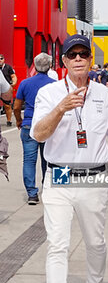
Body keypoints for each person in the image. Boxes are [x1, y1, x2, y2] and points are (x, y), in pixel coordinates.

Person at [30, 34, 108, 283]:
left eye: (83, 54)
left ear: (90, 61)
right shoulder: (50, 94)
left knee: (95, 241)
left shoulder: (102, 92)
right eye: (71, 54)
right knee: (57, 244)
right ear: (62, 61)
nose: (78, 59)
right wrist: (61, 108)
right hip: (59, 177)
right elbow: (38, 134)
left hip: (93, 177)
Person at [13, 53, 55, 205]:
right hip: (47, 125)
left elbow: (17, 106)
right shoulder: (54, 84)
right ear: (50, 66)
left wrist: (19, 120)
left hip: (29, 124)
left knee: (29, 160)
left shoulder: (25, 83)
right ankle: (47, 189)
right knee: (48, 159)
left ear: (35, 66)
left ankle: (32, 194)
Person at [0, 54, 17, 126]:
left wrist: (13, 83)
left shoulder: (8, 67)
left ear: (4, 59)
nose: (0, 60)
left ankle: (9, 120)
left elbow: (13, 76)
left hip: (6, 89)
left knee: (7, 106)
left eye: (1, 58)